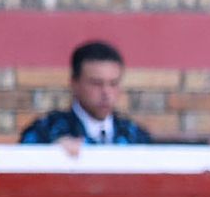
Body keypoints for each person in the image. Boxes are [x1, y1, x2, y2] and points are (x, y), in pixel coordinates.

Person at [19, 41, 154, 151]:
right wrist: (51, 154)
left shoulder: (135, 135)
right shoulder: (46, 131)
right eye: (96, 83)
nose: (106, 92)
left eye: (113, 83)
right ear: (74, 83)